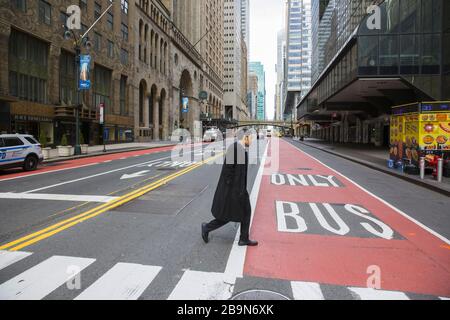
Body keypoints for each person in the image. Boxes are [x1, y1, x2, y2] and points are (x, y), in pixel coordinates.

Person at [201, 130, 258, 246]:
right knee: (227, 215)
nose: (252, 142)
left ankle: (243, 238)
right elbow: (228, 171)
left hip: (239, 189)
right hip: (233, 191)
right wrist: (234, 191)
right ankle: (206, 227)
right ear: (246, 137)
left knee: (244, 212)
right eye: (252, 139)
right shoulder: (235, 148)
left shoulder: (241, 149)